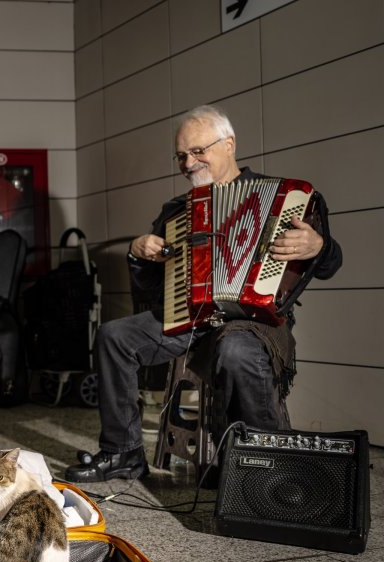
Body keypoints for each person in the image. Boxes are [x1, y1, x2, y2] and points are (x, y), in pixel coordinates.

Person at [64, 105, 343, 484]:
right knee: (114, 337)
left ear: (229, 144)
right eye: (181, 155)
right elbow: (150, 286)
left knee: (236, 349)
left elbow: (329, 265)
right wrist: (138, 253)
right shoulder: (178, 212)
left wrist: (319, 246)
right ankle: (123, 453)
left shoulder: (285, 198)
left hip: (254, 321)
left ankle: (269, 466)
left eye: (198, 151)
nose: (187, 162)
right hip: (190, 318)